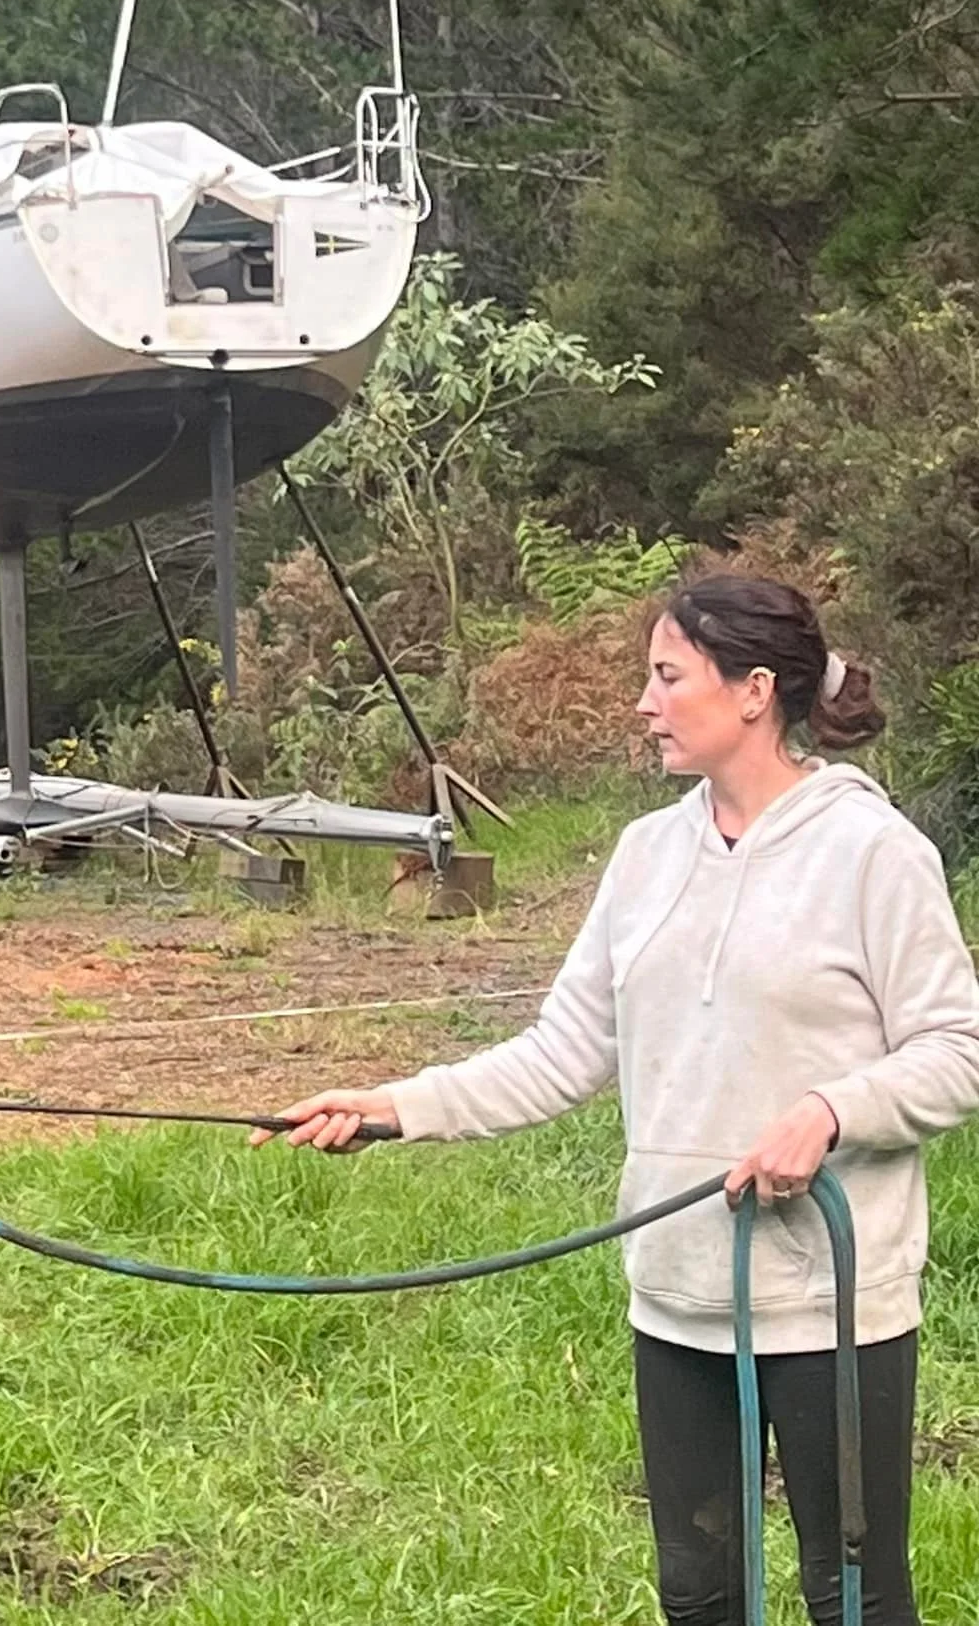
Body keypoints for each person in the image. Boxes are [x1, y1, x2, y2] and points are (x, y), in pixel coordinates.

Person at [255, 572, 979, 1626]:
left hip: (834, 1310)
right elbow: (562, 1049)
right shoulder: (644, 857)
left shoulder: (870, 854)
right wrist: (393, 1105)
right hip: (675, 1301)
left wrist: (827, 1112)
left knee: (853, 1598)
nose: (642, 702)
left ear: (750, 690)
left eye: (665, 675)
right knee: (696, 1595)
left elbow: (954, 1047)